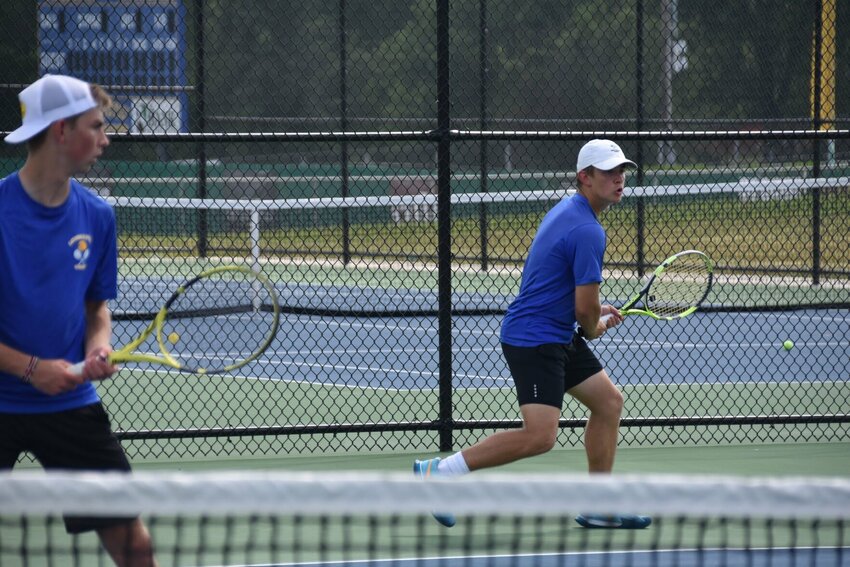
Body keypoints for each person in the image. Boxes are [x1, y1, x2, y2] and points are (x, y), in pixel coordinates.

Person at [414, 139, 651, 530]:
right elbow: (584, 315)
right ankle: (440, 472)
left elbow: (571, 295)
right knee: (541, 436)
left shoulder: (570, 211)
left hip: (553, 332)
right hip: (535, 338)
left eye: (622, 170)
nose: (619, 178)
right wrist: (596, 325)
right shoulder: (588, 229)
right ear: (585, 178)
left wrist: (594, 314)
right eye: (609, 171)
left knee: (608, 402)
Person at [0, 74, 158, 566]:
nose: (107, 138)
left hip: (70, 404)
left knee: (135, 547)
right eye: (97, 126)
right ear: (62, 131)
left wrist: (98, 347)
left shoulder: (98, 216)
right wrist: (32, 369)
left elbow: (96, 310)